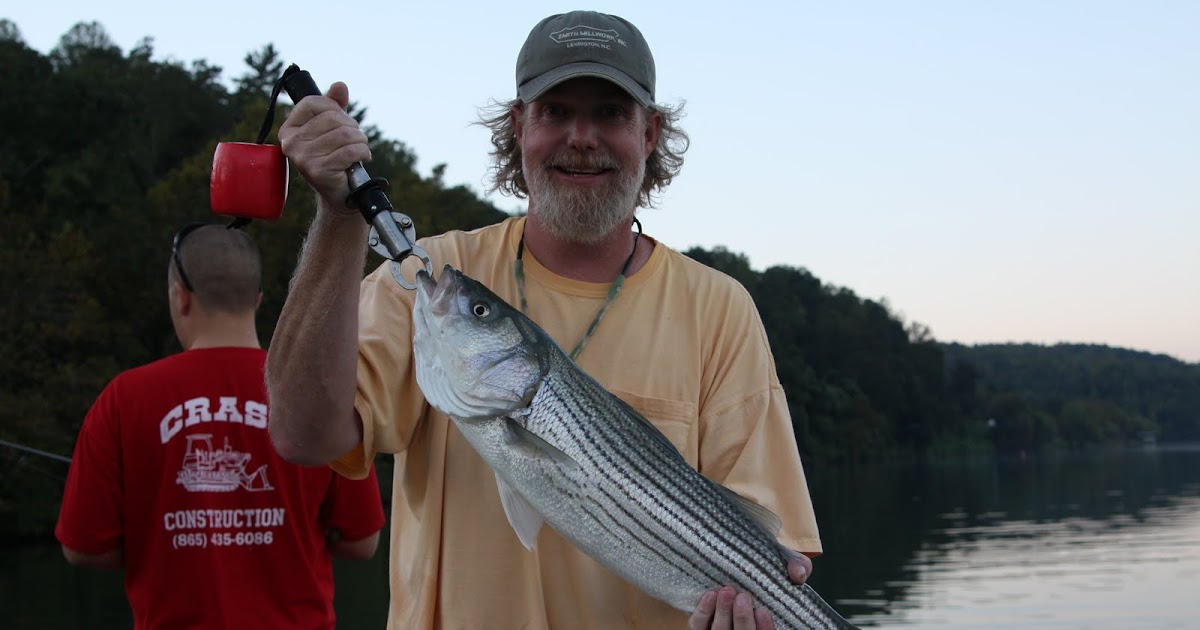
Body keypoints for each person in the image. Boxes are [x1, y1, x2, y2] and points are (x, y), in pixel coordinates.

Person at [268, 9, 822, 630]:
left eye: (610, 113)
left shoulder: (720, 309)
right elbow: (302, 435)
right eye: (555, 111)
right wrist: (340, 220)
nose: (581, 137)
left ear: (650, 134)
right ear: (518, 128)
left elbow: (778, 552)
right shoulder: (437, 273)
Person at [56, 223, 387, 630]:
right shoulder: (317, 395)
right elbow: (362, 541)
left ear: (181, 298)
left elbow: (82, 548)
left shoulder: (123, 398)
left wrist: (159, 542)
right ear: (258, 300)